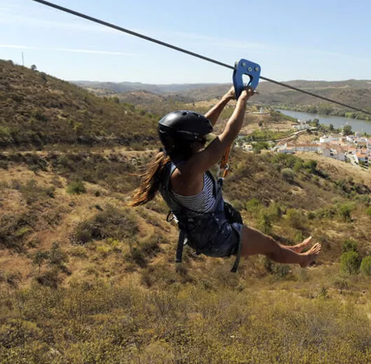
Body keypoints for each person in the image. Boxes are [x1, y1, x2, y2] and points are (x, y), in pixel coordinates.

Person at [129, 85, 321, 268]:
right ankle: (302, 261)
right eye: (200, 140)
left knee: (268, 244)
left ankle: (291, 251)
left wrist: (226, 98)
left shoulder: (168, 156)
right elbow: (229, 134)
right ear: (189, 143)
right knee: (270, 247)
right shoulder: (188, 171)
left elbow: (201, 127)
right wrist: (242, 100)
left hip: (211, 227)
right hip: (218, 237)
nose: (204, 141)